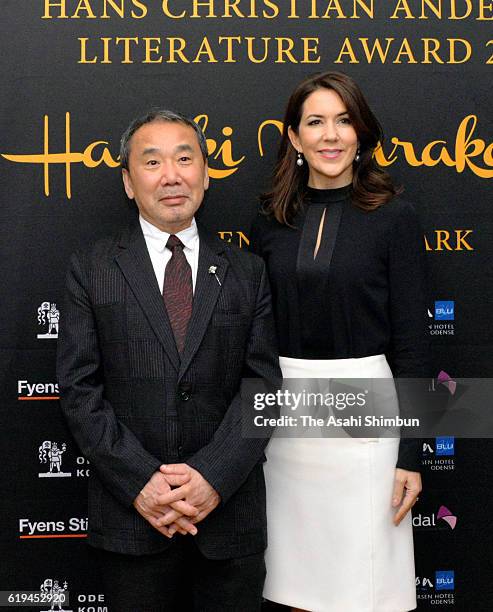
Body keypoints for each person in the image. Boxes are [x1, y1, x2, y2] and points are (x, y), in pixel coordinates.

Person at [56, 109, 281, 612]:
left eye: (185, 158)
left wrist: (212, 479)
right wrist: (142, 483)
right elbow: (79, 389)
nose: (172, 175)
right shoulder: (91, 269)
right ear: (129, 182)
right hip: (132, 521)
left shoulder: (247, 271)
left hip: (229, 521)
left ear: (205, 172)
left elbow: (264, 388)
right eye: (152, 161)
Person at [250, 72, 429, 612]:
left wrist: (412, 454)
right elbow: (255, 339)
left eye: (344, 120)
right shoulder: (269, 223)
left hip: (367, 422)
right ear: (295, 137)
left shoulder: (395, 217)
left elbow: (415, 346)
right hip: (287, 424)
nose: (331, 135)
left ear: (361, 133)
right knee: (293, 587)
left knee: (364, 590)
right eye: (316, 122)